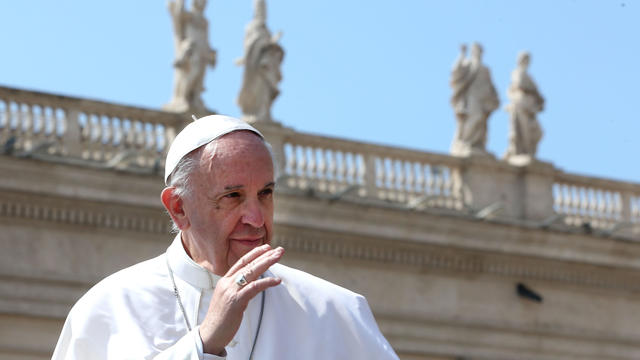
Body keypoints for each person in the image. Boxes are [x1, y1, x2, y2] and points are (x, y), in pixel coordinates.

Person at [52, 115, 399, 359]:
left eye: (265, 193)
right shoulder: (106, 311)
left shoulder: (335, 311)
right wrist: (203, 343)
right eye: (232, 197)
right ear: (178, 207)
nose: (256, 218)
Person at [164, 0, 217, 114]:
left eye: (204, 2)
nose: (202, 4)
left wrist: (211, 52)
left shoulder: (204, 21)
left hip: (203, 50)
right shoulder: (188, 16)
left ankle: (195, 98)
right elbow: (177, 15)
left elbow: (206, 38)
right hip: (191, 50)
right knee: (193, 72)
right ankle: (183, 97)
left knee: (200, 77)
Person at [236, 0, 284, 123]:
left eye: (264, 9)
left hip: (266, 66)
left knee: (264, 91)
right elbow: (249, 45)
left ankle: (263, 114)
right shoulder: (251, 27)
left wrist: (272, 43)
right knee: (256, 89)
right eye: (260, 9)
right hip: (255, 65)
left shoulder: (266, 30)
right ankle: (255, 113)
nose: (262, 12)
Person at [450, 43, 499, 156]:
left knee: (481, 122)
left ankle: (477, 145)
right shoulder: (469, 64)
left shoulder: (486, 69)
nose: (478, 53)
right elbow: (456, 71)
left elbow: (491, 85)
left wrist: (494, 98)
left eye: (480, 51)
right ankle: (466, 142)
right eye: (476, 51)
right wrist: (462, 55)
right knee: (474, 117)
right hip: (472, 97)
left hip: (484, 99)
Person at [504, 51, 544, 160]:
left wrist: (538, 99)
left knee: (537, 132)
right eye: (525, 59)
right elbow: (520, 84)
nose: (527, 61)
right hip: (521, 105)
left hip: (530, 108)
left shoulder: (528, 76)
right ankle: (522, 152)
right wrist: (534, 92)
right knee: (524, 132)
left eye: (528, 59)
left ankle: (527, 152)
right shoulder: (517, 72)